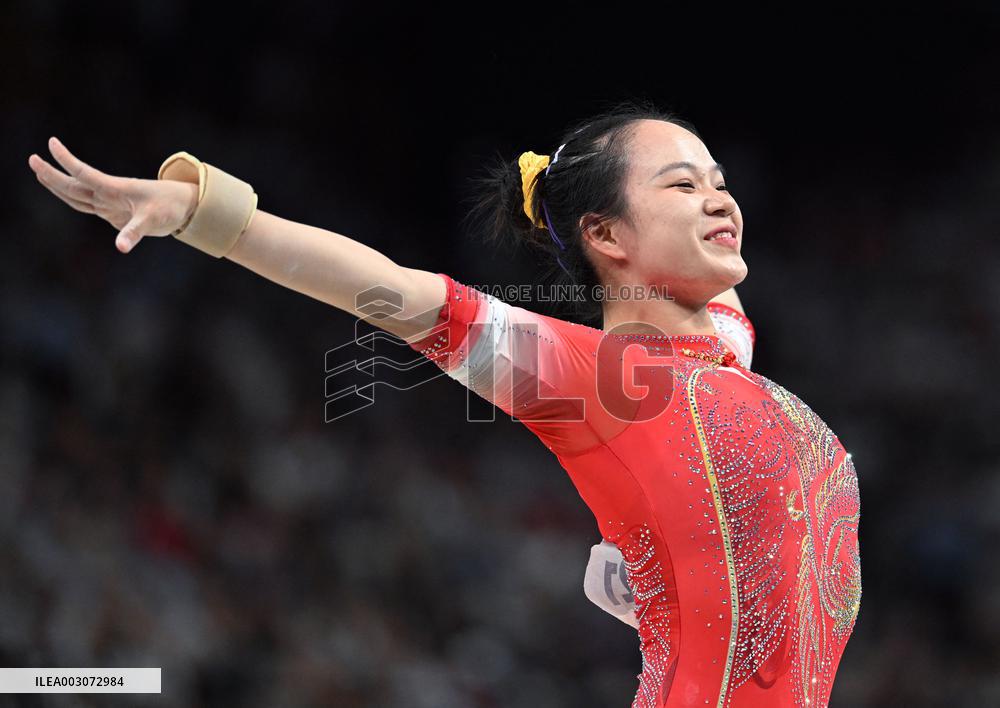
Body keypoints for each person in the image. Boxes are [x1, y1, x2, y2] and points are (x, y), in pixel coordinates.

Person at [27, 101, 862, 707]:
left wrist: (642, 580)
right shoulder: (596, 380)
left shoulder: (728, 347)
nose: (723, 199)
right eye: (685, 185)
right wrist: (206, 214)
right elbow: (386, 290)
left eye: (721, 181)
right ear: (607, 237)